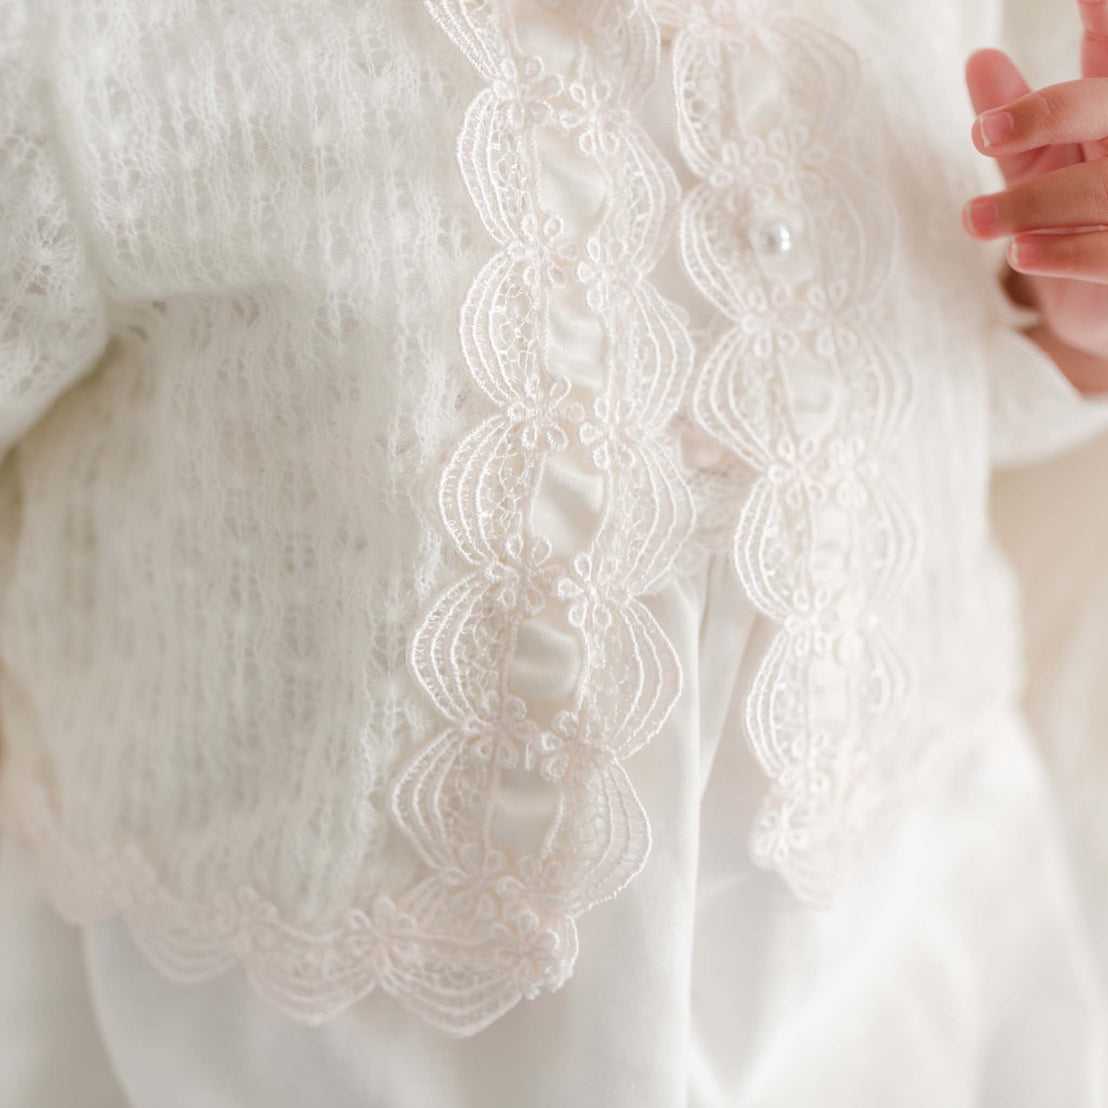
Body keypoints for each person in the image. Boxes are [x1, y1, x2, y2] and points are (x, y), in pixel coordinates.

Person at [0, 0, 1106, 1104]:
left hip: (886, 967)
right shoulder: (104, 44)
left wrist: (1065, 307)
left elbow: (958, 397)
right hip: (303, 1034)